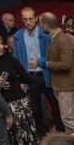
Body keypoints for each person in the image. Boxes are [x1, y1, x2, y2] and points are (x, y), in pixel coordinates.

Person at [13, 7, 63, 135]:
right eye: (25, 19)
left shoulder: (45, 34)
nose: (28, 22)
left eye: (31, 19)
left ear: (36, 18)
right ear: (22, 20)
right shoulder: (18, 36)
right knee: (36, 109)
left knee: (55, 104)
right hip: (30, 76)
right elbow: (16, 60)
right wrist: (20, 79)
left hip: (46, 74)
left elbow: (53, 55)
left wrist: (39, 61)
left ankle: (60, 131)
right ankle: (42, 135)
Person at [40, 13, 74, 133]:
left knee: (68, 119)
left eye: (41, 24)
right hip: (62, 85)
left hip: (67, 85)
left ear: (46, 25)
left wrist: (47, 64)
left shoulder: (62, 39)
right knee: (71, 117)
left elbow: (66, 64)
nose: (40, 26)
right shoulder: (55, 38)